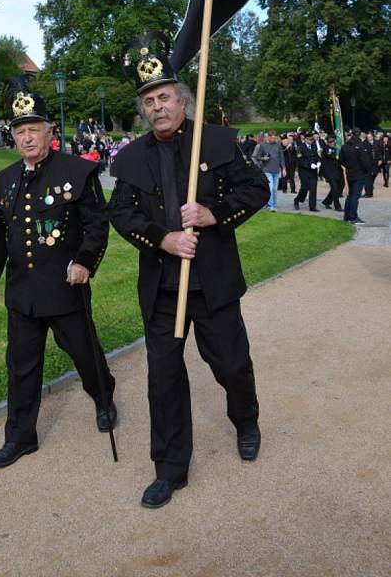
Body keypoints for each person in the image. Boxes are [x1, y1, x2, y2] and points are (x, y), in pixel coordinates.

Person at [108, 51, 269, 509]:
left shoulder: (214, 142)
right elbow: (121, 212)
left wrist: (212, 213)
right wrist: (162, 239)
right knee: (163, 378)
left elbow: (255, 188)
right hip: (163, 288)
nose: (157, 106)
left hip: (212, 284)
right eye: (149, 101)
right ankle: (170, 468)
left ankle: (246, 420)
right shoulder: (132, 158)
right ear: (143, 109)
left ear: (181, 101)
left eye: (164, 97)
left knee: (231, 364)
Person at [0, 90, 116, 469]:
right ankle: (20, 437)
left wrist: (85, 261)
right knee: (21, 366)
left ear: (49, 130)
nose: (26, 137)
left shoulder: (76, 172)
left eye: (33, 129)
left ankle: (104, 396)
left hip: (64, 287)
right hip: (22, 293)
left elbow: (96, 224)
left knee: (84, 354)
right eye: (19, 130)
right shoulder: (3, 182)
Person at [339, 127, 372, 225]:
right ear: (359, 134)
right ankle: (353, 217)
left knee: (350, 195)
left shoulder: (345, 146)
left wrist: (349, 167)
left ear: (352, 134)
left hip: (350, 172)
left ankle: (347, 216)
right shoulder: (360, 146)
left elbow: (341, 160)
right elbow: (364, 161)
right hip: (359, 173)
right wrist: (367, 170)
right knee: (355, 196)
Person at [254, 130, 286, 211]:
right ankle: (270, 205)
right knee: (271, 188)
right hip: (266, 169)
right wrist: (263, 158)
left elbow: (281, 158)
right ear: (268, 137)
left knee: (275, 189)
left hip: (276, 170)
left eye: (275, 138)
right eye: (272, 138)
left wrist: (284, 168)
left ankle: (273, 204)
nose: (273, 139)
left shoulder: (278, 145)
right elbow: (257, 157)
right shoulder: (262, 145)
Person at [294, 131, 321, 212]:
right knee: (304, 188)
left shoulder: (314, 146)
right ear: (305, 139)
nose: (311, 141)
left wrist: (319, 162)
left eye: (312, 140)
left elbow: (317, 156)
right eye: (309, 140)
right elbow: (300, 160)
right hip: (304, 171)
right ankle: (297, 200)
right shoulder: (300, 147)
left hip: (313, 171)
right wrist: (309, 165)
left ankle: (312, 207)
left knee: (313, 189)